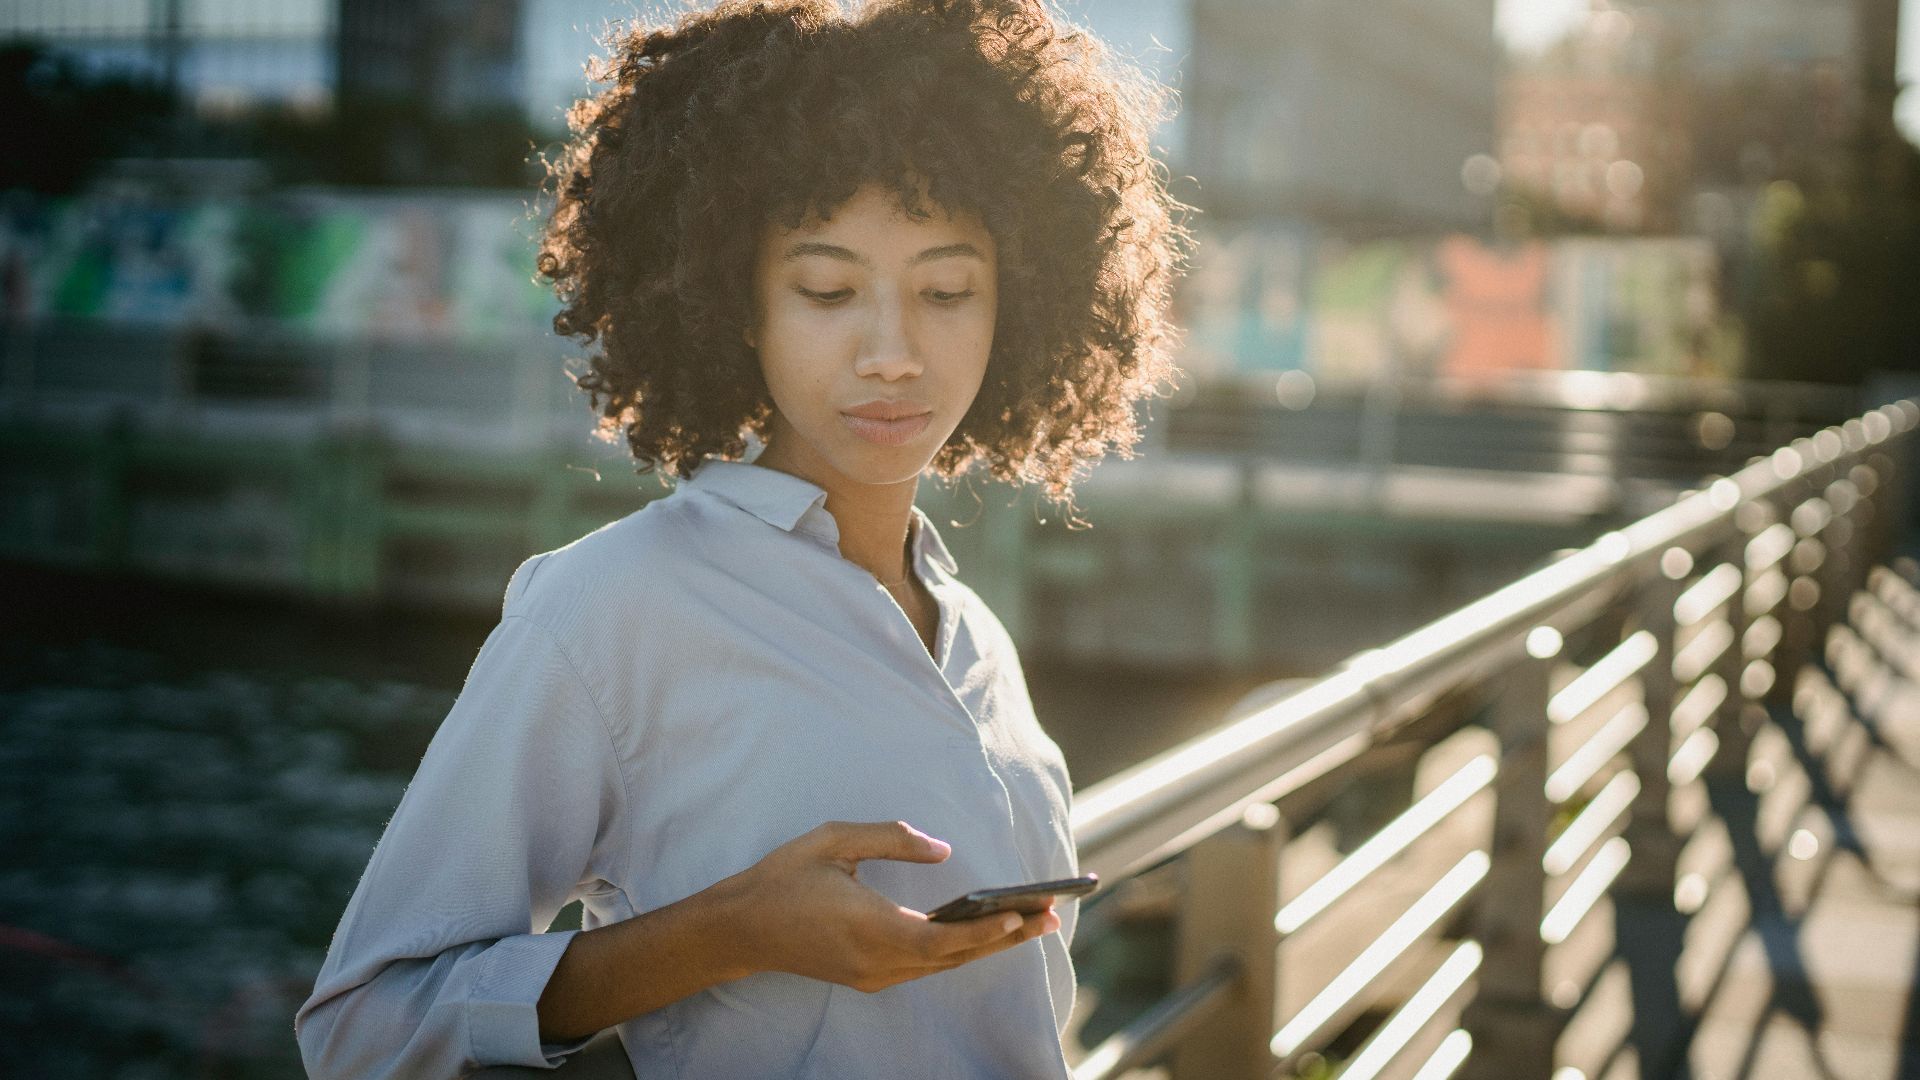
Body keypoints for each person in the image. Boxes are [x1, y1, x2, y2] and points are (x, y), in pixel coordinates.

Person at [293, 0, 1187, 1076]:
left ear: (1021, 306)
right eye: (827, 290)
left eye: (948, 289)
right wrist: (729, 933)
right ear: (739, 303)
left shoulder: (973, 633)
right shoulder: (608, 608)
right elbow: (362, 1029)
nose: (893, 353)